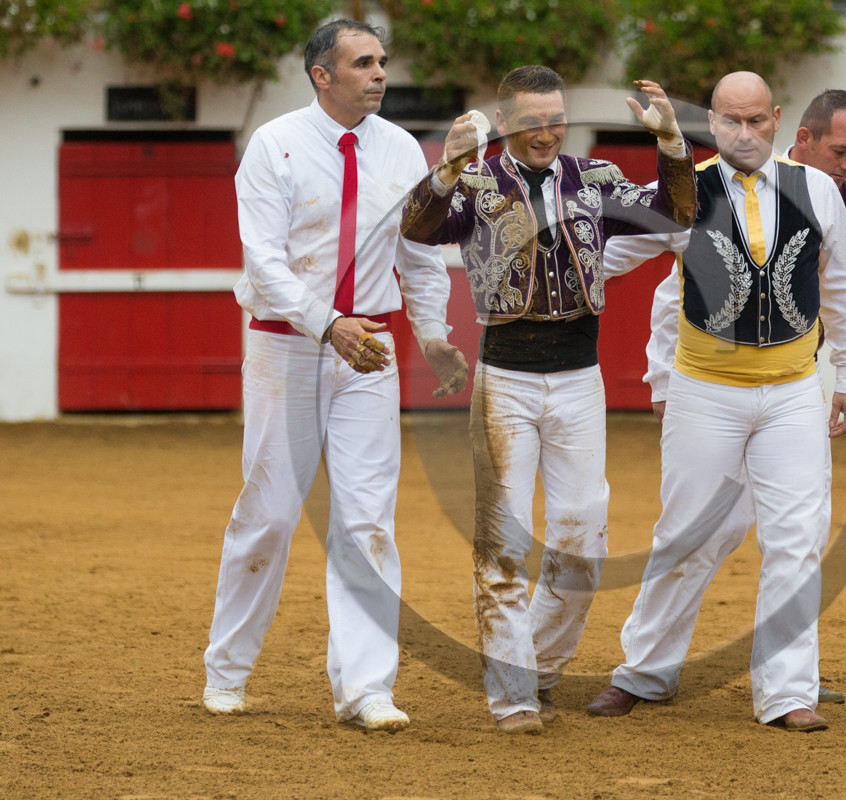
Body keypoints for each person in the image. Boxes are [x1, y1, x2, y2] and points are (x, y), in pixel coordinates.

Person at [401, 65, 696, 734]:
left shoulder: (592, 180)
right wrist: (446, 167)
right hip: (504, 378)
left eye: (555, 119)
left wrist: (672, 143)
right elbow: (417, 228)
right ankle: (513, 695)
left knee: (582, 537)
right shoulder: (476, 184)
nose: (546, 132)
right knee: (502, 543)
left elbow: (676, 212)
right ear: (505, 125)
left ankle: (538, 671)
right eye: (532, 121)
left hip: (578, 381)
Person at [201, 19, 468, 732]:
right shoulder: (275, 144)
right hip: (287, 346)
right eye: (363, 63)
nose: (379, 73)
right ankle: (226, 670)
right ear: (324, 75)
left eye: (382, 61)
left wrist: (434, 333)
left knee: (367, 518)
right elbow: (263, 260)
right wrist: (329, 323)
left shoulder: (402, 148)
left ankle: (366, 688)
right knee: (269, 513)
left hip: (369, 349)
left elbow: (418, 254)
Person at [587, 72, 846, 732]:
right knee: (687, 534)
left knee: (797, 539)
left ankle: (787, 692)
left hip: (792, 390)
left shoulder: (820, 190)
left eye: (756, 121)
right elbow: (611, 255)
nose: (744, 134)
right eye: (730, 122)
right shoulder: (685, 192)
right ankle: (644, 671)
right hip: (705, 390)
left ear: (775, 119)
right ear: (711, 123)